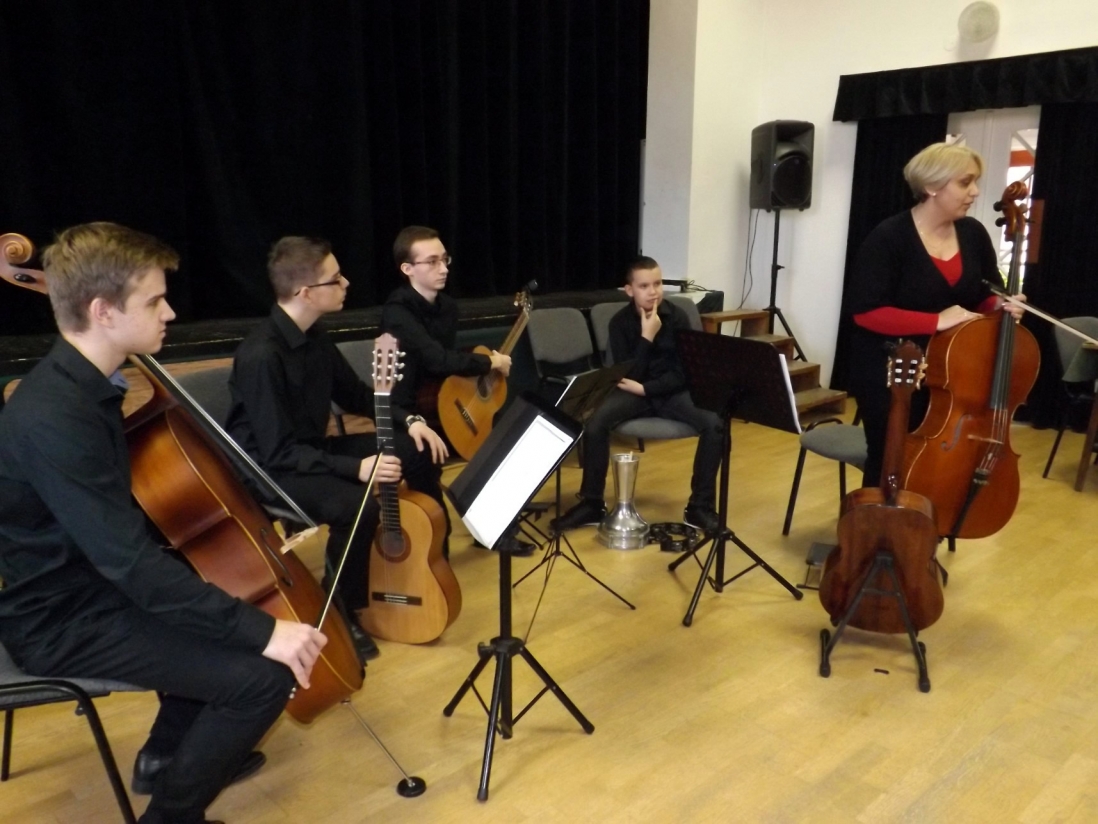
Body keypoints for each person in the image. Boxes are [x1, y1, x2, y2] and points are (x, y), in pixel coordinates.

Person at [0, 222, 326, 824]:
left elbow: (118, 538)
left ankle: (167, 756)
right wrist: (265, 633)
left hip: (94, 589)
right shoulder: (53, 415)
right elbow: (127, 563)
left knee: (211, 600)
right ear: (102, 311)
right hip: (62, 618)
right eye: (154, 301)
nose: (170, 312)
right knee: (261, 678)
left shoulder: (86, 388)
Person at [226, 236, 442, 660]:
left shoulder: (316, 336)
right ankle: (340, 608)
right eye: (336, 278)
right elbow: (277, 454)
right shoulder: (261, 356)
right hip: (273, 472)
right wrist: (356, 468)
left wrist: (411, 420)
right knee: (357, 506)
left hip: (309, 451)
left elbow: (358, 395)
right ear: (305, 293)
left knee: (412, 449)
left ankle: (425, 559)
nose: (346, 283)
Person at [846, 142, 1025, 488]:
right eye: (965, 182)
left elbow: (986, 294)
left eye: (975, 182)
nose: (975, 192)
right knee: (890, 458)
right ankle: (877, 521)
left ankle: (929, 519)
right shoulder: (889, 238)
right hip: (893, 372)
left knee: (941, 464)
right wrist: (936, 321)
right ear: (931, 186)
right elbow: (865, 312)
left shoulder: (973, 234)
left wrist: (1000, 305)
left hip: (954, 373)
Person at [380, 225, 533, 554]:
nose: (444, 268)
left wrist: (484, 371)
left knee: (496, 442)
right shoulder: (397, 313)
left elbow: (446, 368)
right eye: (432, 261)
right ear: (407, 269)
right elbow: (436, 359)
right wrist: (490, 362)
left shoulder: (447, 307)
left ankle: (493, 528)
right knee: (432, 466)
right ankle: (436, 542)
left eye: (444, 259)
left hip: (440, 402)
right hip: (404, 412)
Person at [550, 256, 724, 535]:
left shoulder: (678, 317)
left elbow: (685, 372)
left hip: (669, 392)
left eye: (657, 284)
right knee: (595, 421)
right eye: (644, 286)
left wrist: (647, 388)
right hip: (632, 393)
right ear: (629, 290)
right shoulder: (619, 323)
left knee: (715, 424)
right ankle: (592, 503)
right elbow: (626, 373)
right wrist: (646, 337)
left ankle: (699, 507)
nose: (653, 292)